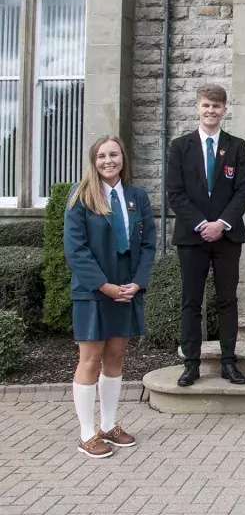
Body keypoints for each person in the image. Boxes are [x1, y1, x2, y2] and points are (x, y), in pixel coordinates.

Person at [64, 136, 156, 458]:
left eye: (113, 154)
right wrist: (104, 285)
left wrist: (138, 283)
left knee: (116, 357)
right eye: (102, 156)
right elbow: (75, 250)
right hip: (92, 291)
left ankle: (109, 426)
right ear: (94, 160)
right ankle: (87, 434)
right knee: (90, 359)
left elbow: (148, 246)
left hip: (126, 291)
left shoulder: (137, 196)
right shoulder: (81, 197)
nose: (108, 161)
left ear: (122, 159)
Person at [167, 84, 245, 387]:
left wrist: (222, 224)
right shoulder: (180, 147)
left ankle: (229, 362)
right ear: (197, 108)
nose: (211, 111)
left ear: (224, 110)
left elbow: (243, 191)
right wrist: (203, 224)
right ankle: (191, 363)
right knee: (192, 301)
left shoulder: (237, 146)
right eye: (206, 105)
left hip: (227, 237)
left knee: (227, 300)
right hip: (192, 237)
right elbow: (174, 194)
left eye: (217, 106)